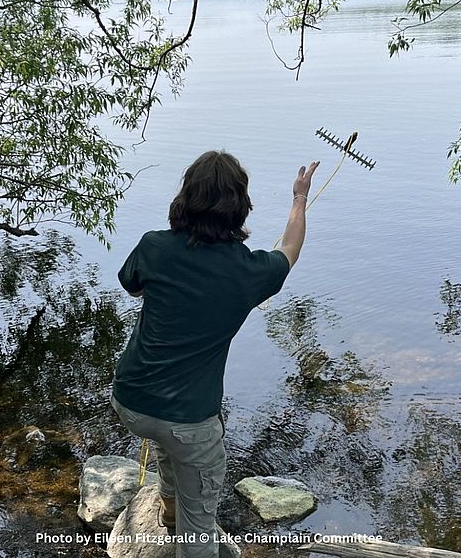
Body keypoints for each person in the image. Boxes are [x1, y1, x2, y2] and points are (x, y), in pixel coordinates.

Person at [110, 150, 319, 558]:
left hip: (130, 401)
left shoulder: (153, 246)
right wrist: (299, 198)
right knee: (199, 530)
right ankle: (184, 528)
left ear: (185, 198)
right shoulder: (251, 271)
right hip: (188, 421)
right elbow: (290, 249)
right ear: (240, 209)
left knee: (168, 446)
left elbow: (134, 288)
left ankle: (169, 513)